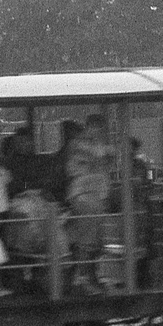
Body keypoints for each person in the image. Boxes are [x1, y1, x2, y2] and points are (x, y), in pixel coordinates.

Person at [65, 114, 112, 293]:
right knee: (87, 240)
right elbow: (96, 158)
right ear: (89, 127)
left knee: (95, 241)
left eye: (100, 129)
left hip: (97, 196)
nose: (98, 132)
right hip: (84, 195)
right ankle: (82, 278)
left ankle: (90, 276)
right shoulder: (80, 144)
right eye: (95, 128)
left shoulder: (97, 144)